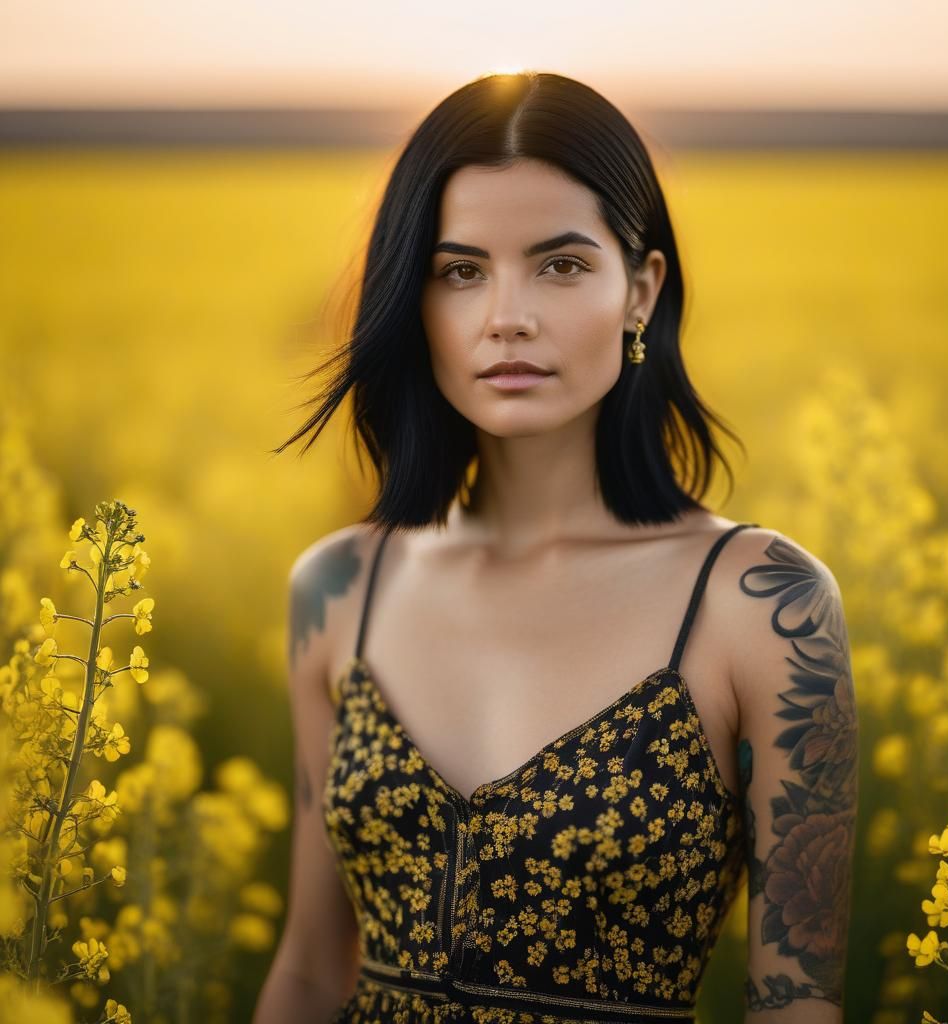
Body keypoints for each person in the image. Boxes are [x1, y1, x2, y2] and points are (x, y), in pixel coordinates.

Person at [254, 71, 858, 1024]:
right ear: (414, 302)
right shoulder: (337, 587)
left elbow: (795, 1006)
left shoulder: (765, 603)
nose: (507, 317)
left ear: (641, 291)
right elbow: (309, 970)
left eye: (561, 265)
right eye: (460, 271)